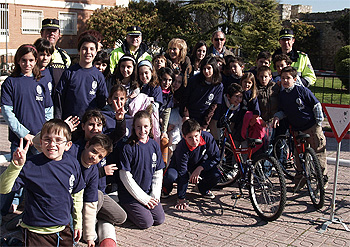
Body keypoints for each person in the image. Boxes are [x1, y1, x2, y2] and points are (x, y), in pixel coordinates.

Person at [0, 119, 85, 246]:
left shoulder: (73, 164)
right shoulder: (30, 165)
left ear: (68, 145)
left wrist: (78, 223)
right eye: (47, 139)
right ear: (40, 142)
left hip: (63, 229)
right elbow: (3, 189)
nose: (52, 144)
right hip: (35, 231)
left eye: (58, 140)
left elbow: (77, 194)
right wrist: (15, 166)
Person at [0, 44, 53, 217]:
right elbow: (8, 113)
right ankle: (4, 208)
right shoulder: (10, 82)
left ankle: (31, 207)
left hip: (39, 140)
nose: (27, 64)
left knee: (37, 173)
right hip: (20, 140)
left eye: (31, 60)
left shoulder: (42, 80)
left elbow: (48, 110)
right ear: (18, 61)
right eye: (24, 60)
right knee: (14, 173)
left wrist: (44, 133)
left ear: (36, 60)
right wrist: (24, 134)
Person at [273, 66, 328, 190]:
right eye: (283, 78)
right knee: (298, 156)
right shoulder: (282, 95)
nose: (285, 81)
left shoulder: (302, 91)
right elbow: (283, 111)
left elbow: (316, 105)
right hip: (297, 130)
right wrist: (277, 117)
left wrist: (318, 123)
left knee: (318, 153)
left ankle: (321, 179)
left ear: (294, 79)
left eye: (288, 78)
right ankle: (300, 180)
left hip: (311, 126)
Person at [118, 110, 165, 229]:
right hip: (130, 195)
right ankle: (125, 208)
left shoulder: (154, 145)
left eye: (145, 126)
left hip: (148, 192)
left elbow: (158, 172)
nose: (142, 130)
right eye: (139, 127)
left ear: (150, 126)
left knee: (159, 219)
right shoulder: (128, 147)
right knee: (146, 222)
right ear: (134, 127)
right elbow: (125, 176)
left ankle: (142, 208)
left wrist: (154, 195)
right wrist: (143, 199)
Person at [162, 119, 221, 209]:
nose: (194, 140)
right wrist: (181, 198)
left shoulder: (208, 138)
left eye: (196, 136)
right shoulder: (181, 147)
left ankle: (202, 189)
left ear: (200, 132)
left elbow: (216, 158)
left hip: (198, 165)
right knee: (170, 176)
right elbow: (182, 172)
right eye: (190, 137)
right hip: (179, 167)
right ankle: (166, 190)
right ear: (184, 136)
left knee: (216, 175)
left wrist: (201, 168)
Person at [54, 35, 108, 120]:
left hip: (90, 125)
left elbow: (102, 102)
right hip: (71, 124)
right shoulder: (69, 73)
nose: (88, 52)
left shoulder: (99, 76)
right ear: (79, 51)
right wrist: (59, 121)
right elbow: (59, 99)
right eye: (84, 48)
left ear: (96, 52)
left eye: (92, 49)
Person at [180, 56, 223, 131]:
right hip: (190, 114)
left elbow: (213, 107)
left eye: (209, 68)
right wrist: (185, 114)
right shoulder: (194, 80)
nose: (206, 71)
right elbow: (185, 97)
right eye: (204, 68)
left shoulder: (218, 86)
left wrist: (204, 125)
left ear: (214, 68)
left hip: (203, 117)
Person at [40, 18, 71, 88]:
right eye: (48, 31)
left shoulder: (64, 56)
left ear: (59, 34)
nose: (52, 34)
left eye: (54, 31)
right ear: (41, 33)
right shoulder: (34, 54)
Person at [158, 67, 174, 139]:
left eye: (170, 80)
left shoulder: (170, 93)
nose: (167, 83)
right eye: (164, 79)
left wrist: (164, 130)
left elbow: (167, 112)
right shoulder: (155, 90)